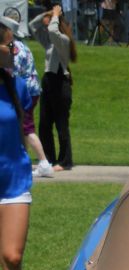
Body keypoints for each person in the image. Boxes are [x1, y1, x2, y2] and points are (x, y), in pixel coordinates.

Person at [0, 20, 32, 270]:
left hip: (14, 182)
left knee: (12, 257)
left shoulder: (17, 87)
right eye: (9, 45)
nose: (14, 50)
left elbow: (23, 133)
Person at [1, 13, 54, 178]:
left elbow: (11, 70)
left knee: (27, 128)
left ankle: (43, 162)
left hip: (24, 91)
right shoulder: (22, 45)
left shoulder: (13, 48)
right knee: (23, 127)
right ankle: (24, 158)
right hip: (32, 89)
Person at [29, 4, 77, 172]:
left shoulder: (63, 40)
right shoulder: (49, 43)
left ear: (57, 23)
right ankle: (48, 158)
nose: (48, 23)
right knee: (44, 123)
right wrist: (49, 12)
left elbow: (53, 31)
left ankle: (65, 161)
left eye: (51, 20)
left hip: (60, 82)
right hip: (48, 80)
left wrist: (55, 15)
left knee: (61, 123)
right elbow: (32, 25)